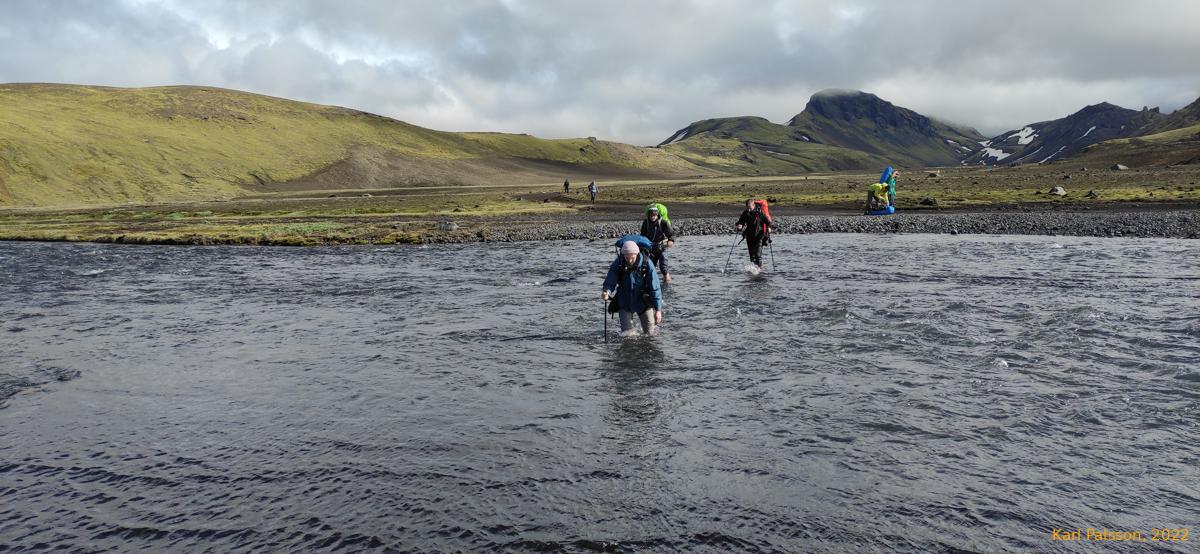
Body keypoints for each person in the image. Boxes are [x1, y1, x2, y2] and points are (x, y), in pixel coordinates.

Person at [602, 240, 663, 336]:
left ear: (637, 253)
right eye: (627, 258)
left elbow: (655, 288)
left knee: (651, 334)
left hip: (643, 302)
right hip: (624, 301)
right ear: (623, 255)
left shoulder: (647, 264)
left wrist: (658, 310)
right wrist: (607, 292)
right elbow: (610, 281)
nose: (630, 260)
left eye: (632, 258)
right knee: (627, 335)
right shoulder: (618, 263)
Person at [639, 205, 675, 283]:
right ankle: (650, 283)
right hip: (650, 248)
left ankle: (667, 282)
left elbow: (671, 234)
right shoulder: (646, 223)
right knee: (649, 266)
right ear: (649, 215)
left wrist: (671, 240)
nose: (653, 217)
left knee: (664, 267)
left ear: (657, 215)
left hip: (662, 247)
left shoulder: (663, 223)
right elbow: (642, 236)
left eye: (654, 215)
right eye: (651, 215)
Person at [734, 199, 772, 268]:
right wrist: (740, 226)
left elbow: (767, 222)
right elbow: (741, 221)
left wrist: (769, 228)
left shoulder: (760, 213)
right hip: (749, 236)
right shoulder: (745, 213)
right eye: (747, 208)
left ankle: (759, 270)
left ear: (753, 206)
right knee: (752, 257)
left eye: (750, 208)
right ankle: (755, 268)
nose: (749, 210)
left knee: (758, 255)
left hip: (759, 235)